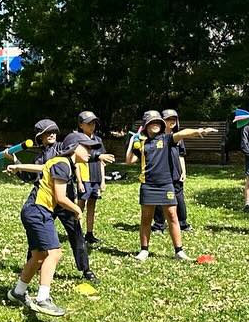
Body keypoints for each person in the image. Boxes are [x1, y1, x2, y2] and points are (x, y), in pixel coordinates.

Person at [12, 132, 94, 317]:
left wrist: (17, 166)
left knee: (39, 256)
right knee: (54, 253)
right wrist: (77, 208)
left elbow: (40, 168)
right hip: (38, 211)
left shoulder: (62, 162)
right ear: (74, 148)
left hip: (34, 211)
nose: (90, 151)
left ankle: (18, 292)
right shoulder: (63, 164)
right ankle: (43, 299)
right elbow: (61, 198)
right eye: (87, 147)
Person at [126, 111, 191, 261]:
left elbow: (181, 134)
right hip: (148, 185)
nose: (155, 124)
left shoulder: (167, 138)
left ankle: (179, 251)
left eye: (157, 122)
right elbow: (129, 161)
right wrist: (131, 142)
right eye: (152, 122)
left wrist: (199, 131)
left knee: (172, 216)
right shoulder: (142, 143)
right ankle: (144, 250)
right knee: (146, 218)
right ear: (146, 126)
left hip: (166, 184)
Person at [73, 111, 115, 246]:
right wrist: (79, 181)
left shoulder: (98, 140)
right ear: (81, 125)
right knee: (80, 205)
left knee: (92, 205)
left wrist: (102, 180)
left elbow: (101, 161)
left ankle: (89, 233)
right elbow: (76, 162)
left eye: (94, 123)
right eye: (88, 123)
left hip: (96, 177)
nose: (92, 126)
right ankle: (76, 233)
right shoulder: (77, 140)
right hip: (84, 177)